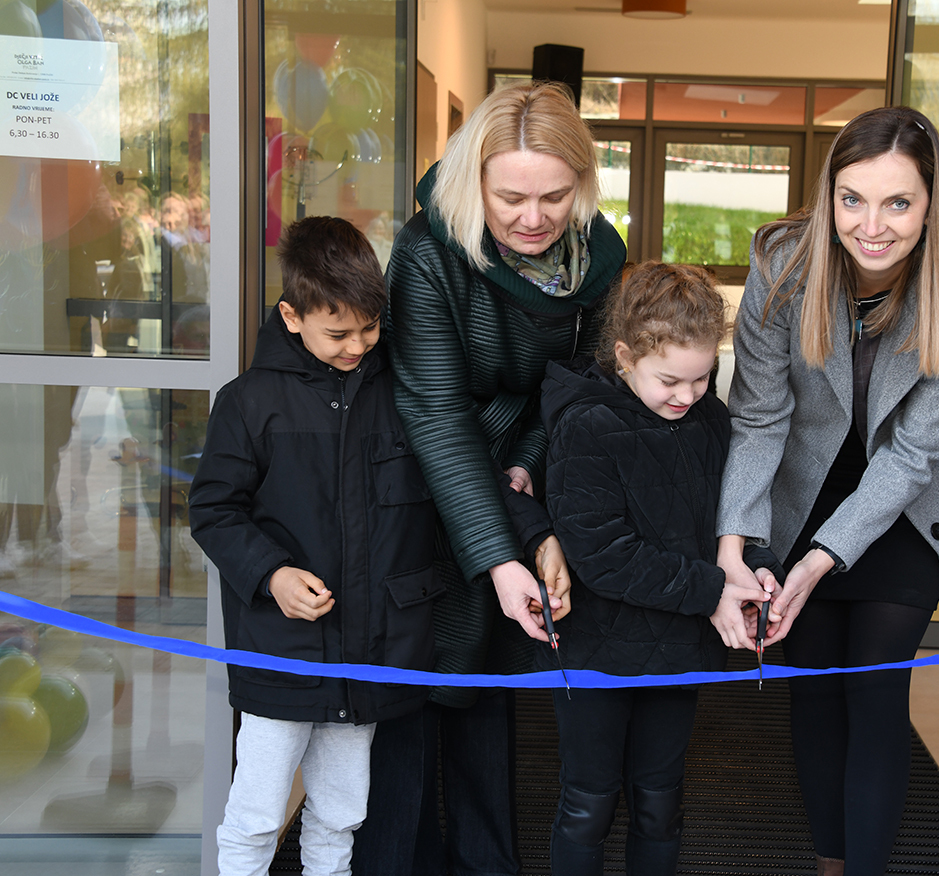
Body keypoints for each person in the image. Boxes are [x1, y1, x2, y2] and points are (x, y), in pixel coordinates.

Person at [354, 81, 628, 876]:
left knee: (486, 682)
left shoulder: (600, 256)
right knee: (414, 685)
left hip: (514, 473)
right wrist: (503, 552)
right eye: (510, 196)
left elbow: (581, 380)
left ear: (583, 185)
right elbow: (434, 410)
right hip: (419, 477)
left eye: (554, 195)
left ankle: (486, 862)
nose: (532, 218)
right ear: (475, 180)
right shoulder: (428, 248)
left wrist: (525, 471)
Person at [715, 106, 939, 876]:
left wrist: (816, 566)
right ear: (828, 194)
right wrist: (734, 548)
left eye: (898, 202)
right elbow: (759, 416)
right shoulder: (783, 262)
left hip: (908, 502)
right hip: (804, 490)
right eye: (853, 199)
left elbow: (915, 451)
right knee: (811, 691)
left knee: (873, 691)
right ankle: (828, 863)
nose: (872, 226)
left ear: (931, 203)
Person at [189, 216, 441, 876]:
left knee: (341, 811)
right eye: (339, 332)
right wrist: (271, 574)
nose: (358, 344)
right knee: (257, 814)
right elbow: (213, 510)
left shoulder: (400, 394)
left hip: (370, 652)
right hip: (281, 654)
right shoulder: (247, 402)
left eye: (370, 328)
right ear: (291, 316)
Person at [538, 261, 779, 875]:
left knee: (660, 802)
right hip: (596, 654)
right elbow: (602, 558)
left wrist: (757, 568)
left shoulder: (712, 421)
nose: (688, 396)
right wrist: (713, 589)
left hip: (678, 653)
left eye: (702, 379)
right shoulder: (586, 427)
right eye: (670, 379)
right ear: (624, 356)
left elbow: (733, 516)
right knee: (588, 805)